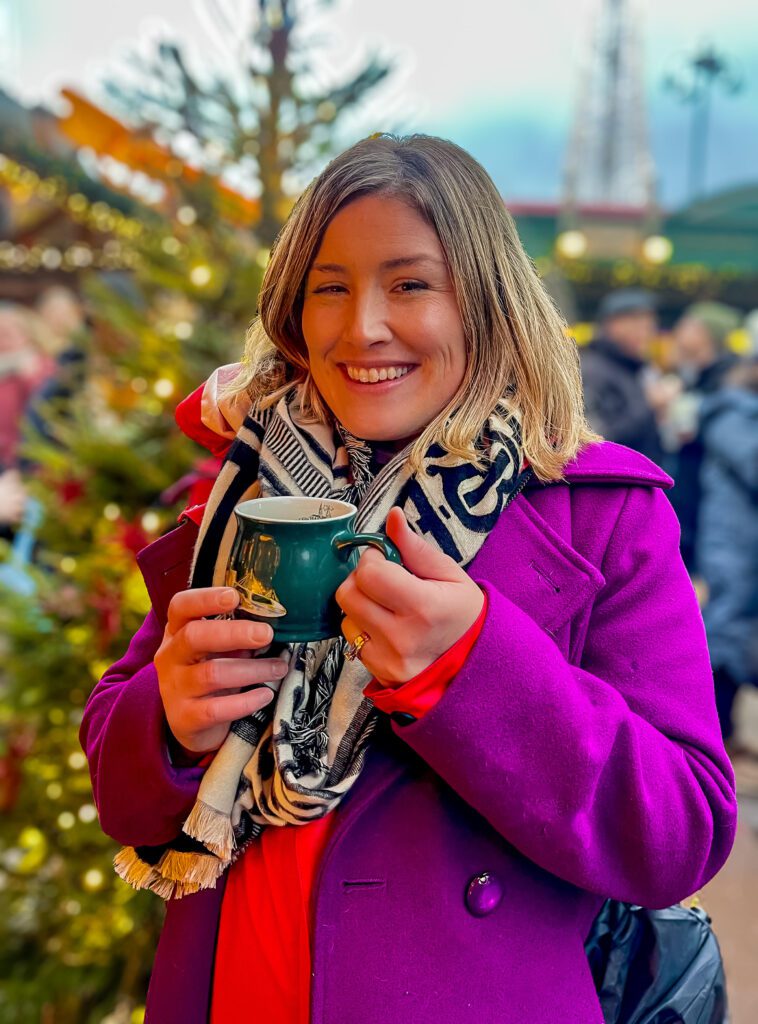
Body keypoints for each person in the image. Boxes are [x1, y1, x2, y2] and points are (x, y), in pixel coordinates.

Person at [80, 135, 737, 1024]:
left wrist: (474, 665)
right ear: (293, 312)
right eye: (331, 287)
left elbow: (683, 828)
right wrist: (168, 720)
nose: (363, 328)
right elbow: (119, 780)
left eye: (411, 283)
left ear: (486, 301)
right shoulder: (252, 485)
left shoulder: (600, 512)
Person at [695, 356, 758, 749]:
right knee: (725, 630)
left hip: (742, 543)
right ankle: (716, 733)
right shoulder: (732, 415)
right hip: (732, 545)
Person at [663, 302, 742, 571]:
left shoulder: (727, 379)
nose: (679, 330)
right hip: (694, 491)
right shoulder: (693, 374)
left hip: (714, 501)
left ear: (706, 333)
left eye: (689, 324)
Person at [580, 288, 664, 464]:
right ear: (614, 325)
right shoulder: (592, 369)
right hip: (612, 486)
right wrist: (649, 405)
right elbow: (595, 439)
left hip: (636, 484)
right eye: (640, 324)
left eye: (650, 325)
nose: (648, 332)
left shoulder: (633, 368)